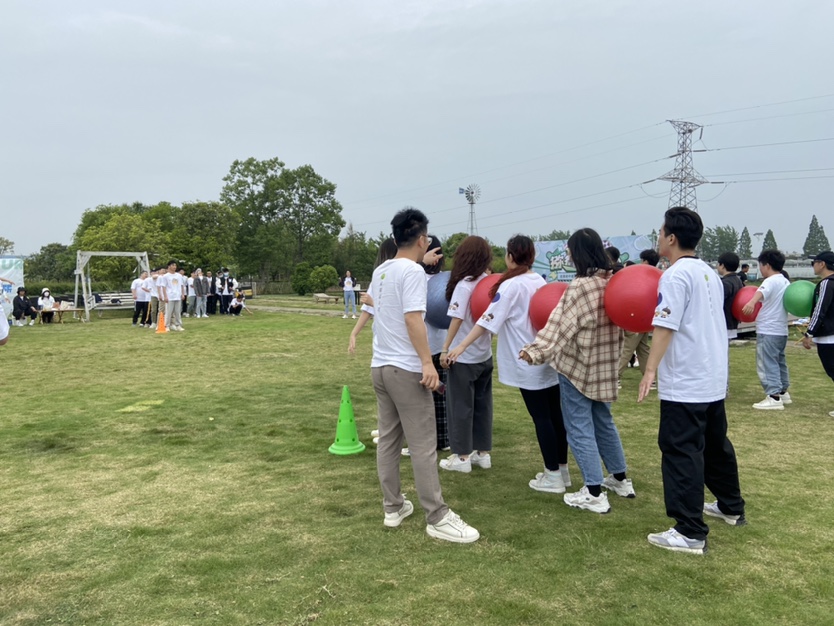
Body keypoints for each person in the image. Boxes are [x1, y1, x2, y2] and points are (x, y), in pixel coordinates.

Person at [639, 207, 746, 555]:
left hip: (686, 380)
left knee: (681, 451)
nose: (658, 237)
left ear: (671, 238)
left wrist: (650, 370)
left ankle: (689, 531)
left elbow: (665, 326)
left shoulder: (674, 275)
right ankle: (731, 506)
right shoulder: (707, 272)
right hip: (711, 376)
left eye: (660, 232)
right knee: (714, 445)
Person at [370, 207, 478, 543]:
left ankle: (393, 507)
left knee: (389, 440)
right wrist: (427, 364)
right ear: (421, 240)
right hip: (405, 369)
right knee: (423, 445)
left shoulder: (381, 270)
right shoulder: (413, 273)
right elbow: (413, 318)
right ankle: (437, 516)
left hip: (380, 367)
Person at [521, 228, 633, 514]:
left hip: (578, 367)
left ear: (577, 253)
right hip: (605, 366)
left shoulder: (581, 287)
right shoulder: (613, 282)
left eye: (570, 251)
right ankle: (620, 479)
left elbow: (560, 325)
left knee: (579, 427)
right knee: (604, 422)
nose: (569, 256)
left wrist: (535, 351)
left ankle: (593, 492)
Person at [449, 235, 571, 494]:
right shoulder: (538, 280)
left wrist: (460, 346)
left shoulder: (511, 286)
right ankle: (562, 470)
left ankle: (553, 475)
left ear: (510, 256)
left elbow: (487, 320)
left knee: (542, 418)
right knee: (554, 415)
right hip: (545, 356)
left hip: (527, 359)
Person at [439, 236, 493, 473]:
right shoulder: (488, 282)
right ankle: (482, 453)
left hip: (463, 357)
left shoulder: (465, 285)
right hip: (484, 355)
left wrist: (446, 348)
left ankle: (461, 458)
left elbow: (457, 319)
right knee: (482, 405)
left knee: (460, 406)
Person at [742, 249, 791, 410]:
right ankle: (783, 392)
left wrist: (751, 302)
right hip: (781, 329)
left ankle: (773, 396)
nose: (760, 269)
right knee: (779, 361)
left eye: (760, 266)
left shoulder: (770, 281)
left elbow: (761, 292)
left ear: (767, 265)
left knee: (767, 362)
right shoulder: (785, 281)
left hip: (768, 329)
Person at [617, 249, 661, 384]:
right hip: (648, 319)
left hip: (636, 317)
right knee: (643, 349)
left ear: (645, 261)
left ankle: (615, 377)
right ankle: (651, 379)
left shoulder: (642, 275)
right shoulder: (658, 276)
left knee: (627, 348)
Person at [802, 251, 834, 417]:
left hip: (829, 336)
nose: (813, 266)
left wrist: (809, 333)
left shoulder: (827, 283)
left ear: (822, 264)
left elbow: (820, 310)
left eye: (814, 262)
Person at [158, 260, 185, 332]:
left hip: (177, 296)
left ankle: (178, 325)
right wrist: (165, 296)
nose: (174, 267)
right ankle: (167, 325)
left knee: (177, 312)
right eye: (173, 265)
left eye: (175, 265)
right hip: (170, 296)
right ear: (169, 266)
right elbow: (163, 287)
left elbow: (182, 285)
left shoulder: (179, 276)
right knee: (168, 312)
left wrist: (182, 294)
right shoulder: (165, 276)